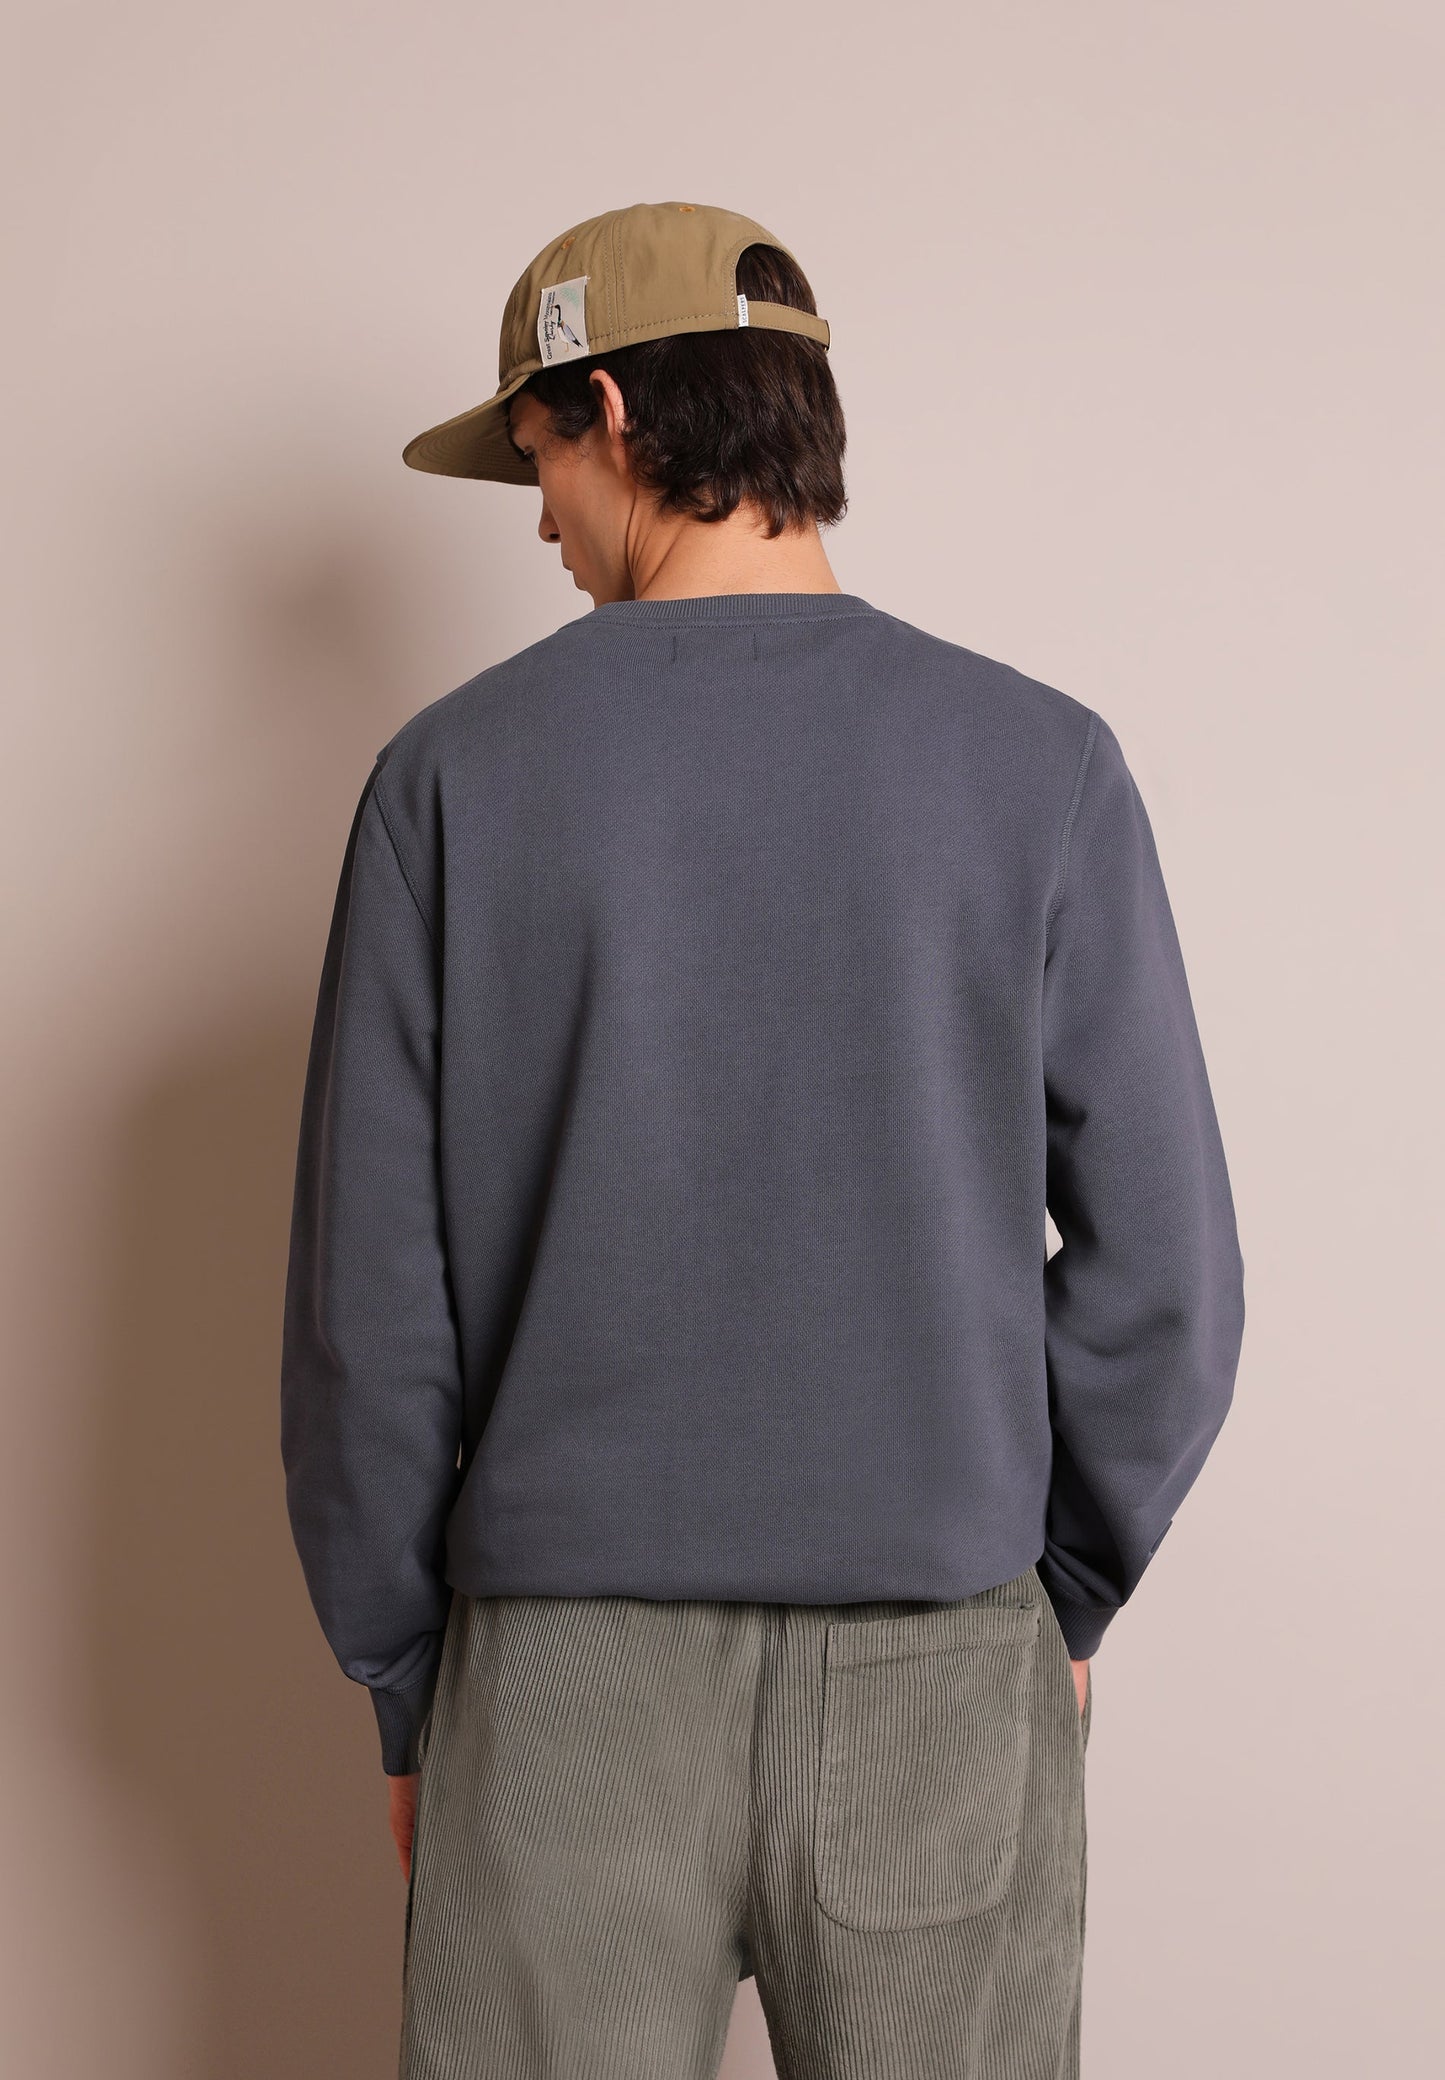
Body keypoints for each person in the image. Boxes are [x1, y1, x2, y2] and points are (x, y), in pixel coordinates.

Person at [279, 199, 1246, 2079]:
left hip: (559, 1687)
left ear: (613, 412)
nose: (540, 521)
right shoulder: (1035, 763)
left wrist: (407, 1679)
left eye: (537, 458)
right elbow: (1170, 1276)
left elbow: (367, 1317)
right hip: (935, 1662)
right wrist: (1048, 1589)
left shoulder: (449, 782)